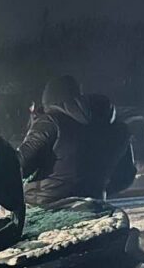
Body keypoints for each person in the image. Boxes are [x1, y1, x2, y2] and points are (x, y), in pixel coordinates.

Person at [19, 75, 136, 206]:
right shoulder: (118, 128)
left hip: (45, 204)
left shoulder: (50, 122)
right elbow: (126, 175)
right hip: (94, 203)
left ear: (49, 102)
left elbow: (21, 166)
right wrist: (96, 190)